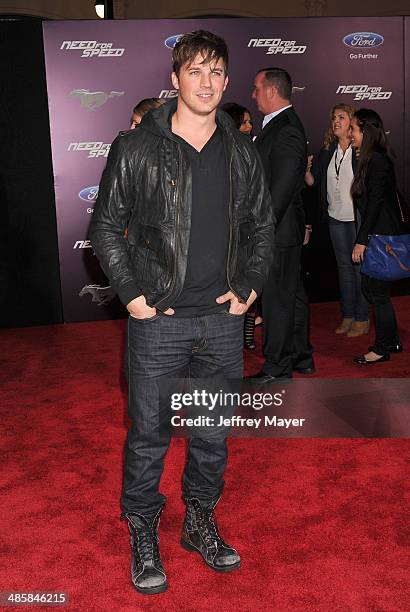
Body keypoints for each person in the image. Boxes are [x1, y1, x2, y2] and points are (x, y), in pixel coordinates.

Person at [89, 30, 274, 595]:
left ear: (226, 80)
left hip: (222, 321)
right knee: (148, 433)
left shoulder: (243, 149)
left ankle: (198, 522)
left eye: (217, 72)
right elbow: (104, 227)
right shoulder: (138, 145)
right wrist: (133, 294)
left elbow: (262, 226)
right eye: (195, 71)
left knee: (212, 435)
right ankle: (143, 529)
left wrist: (250, 285)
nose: (208, 83)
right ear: (174, 79)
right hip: (159, 321)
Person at [246, 67, 314, 382]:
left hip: (278, 231)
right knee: (292, 297)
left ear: (272, 91)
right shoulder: (279, 125)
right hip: (283, 229)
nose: (253, 94)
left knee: (276, 301)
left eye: (257, 88)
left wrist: (262, 231)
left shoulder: (285, 128)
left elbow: (283, 189)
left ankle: (277, 368)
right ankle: (301, 357)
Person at [305, 104, 369, 337]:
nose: (336, 121)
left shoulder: (361, 149)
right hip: (335, 218)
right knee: (344, 269)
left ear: (351, 121)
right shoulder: (328, 150)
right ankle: (348, 315)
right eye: (333, 118)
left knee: (359, 269)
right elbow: (314, 183)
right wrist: (306, 170)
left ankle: (362, 317)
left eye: (341, 117)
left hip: (356, 220)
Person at [350, 108, 408, 364]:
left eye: (353, 128)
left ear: (366, 130)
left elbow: (374, 204)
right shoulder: (370, 158)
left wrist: (362, 240)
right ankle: (391, 340)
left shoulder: (378, 161)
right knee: (374, 289)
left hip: (383, 236)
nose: (350, 133)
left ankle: (382, 348)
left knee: (376, 291)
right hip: (379, 233)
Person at [221, 102, 262, 348]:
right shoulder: (223, 153)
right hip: (225, 236)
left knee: (247, 290)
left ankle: (246, 339)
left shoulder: (251, 151)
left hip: (248, 233)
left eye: (250, 122)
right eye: (244, 122)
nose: (248, 126)